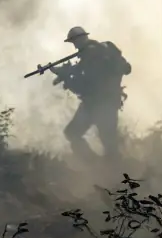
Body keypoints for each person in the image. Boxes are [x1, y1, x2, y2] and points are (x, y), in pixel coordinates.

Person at [54, 26, 131, 161]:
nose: (75, 46)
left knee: (104, 143)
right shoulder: (101, 50)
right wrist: (66, 73)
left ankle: (97, 165)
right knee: (76, 133)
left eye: (75, 42)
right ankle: (99, 165)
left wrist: (67, 79)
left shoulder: (92, 56)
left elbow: (85, 86)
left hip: (98, 105)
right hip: (104, 103)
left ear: (81, 39)